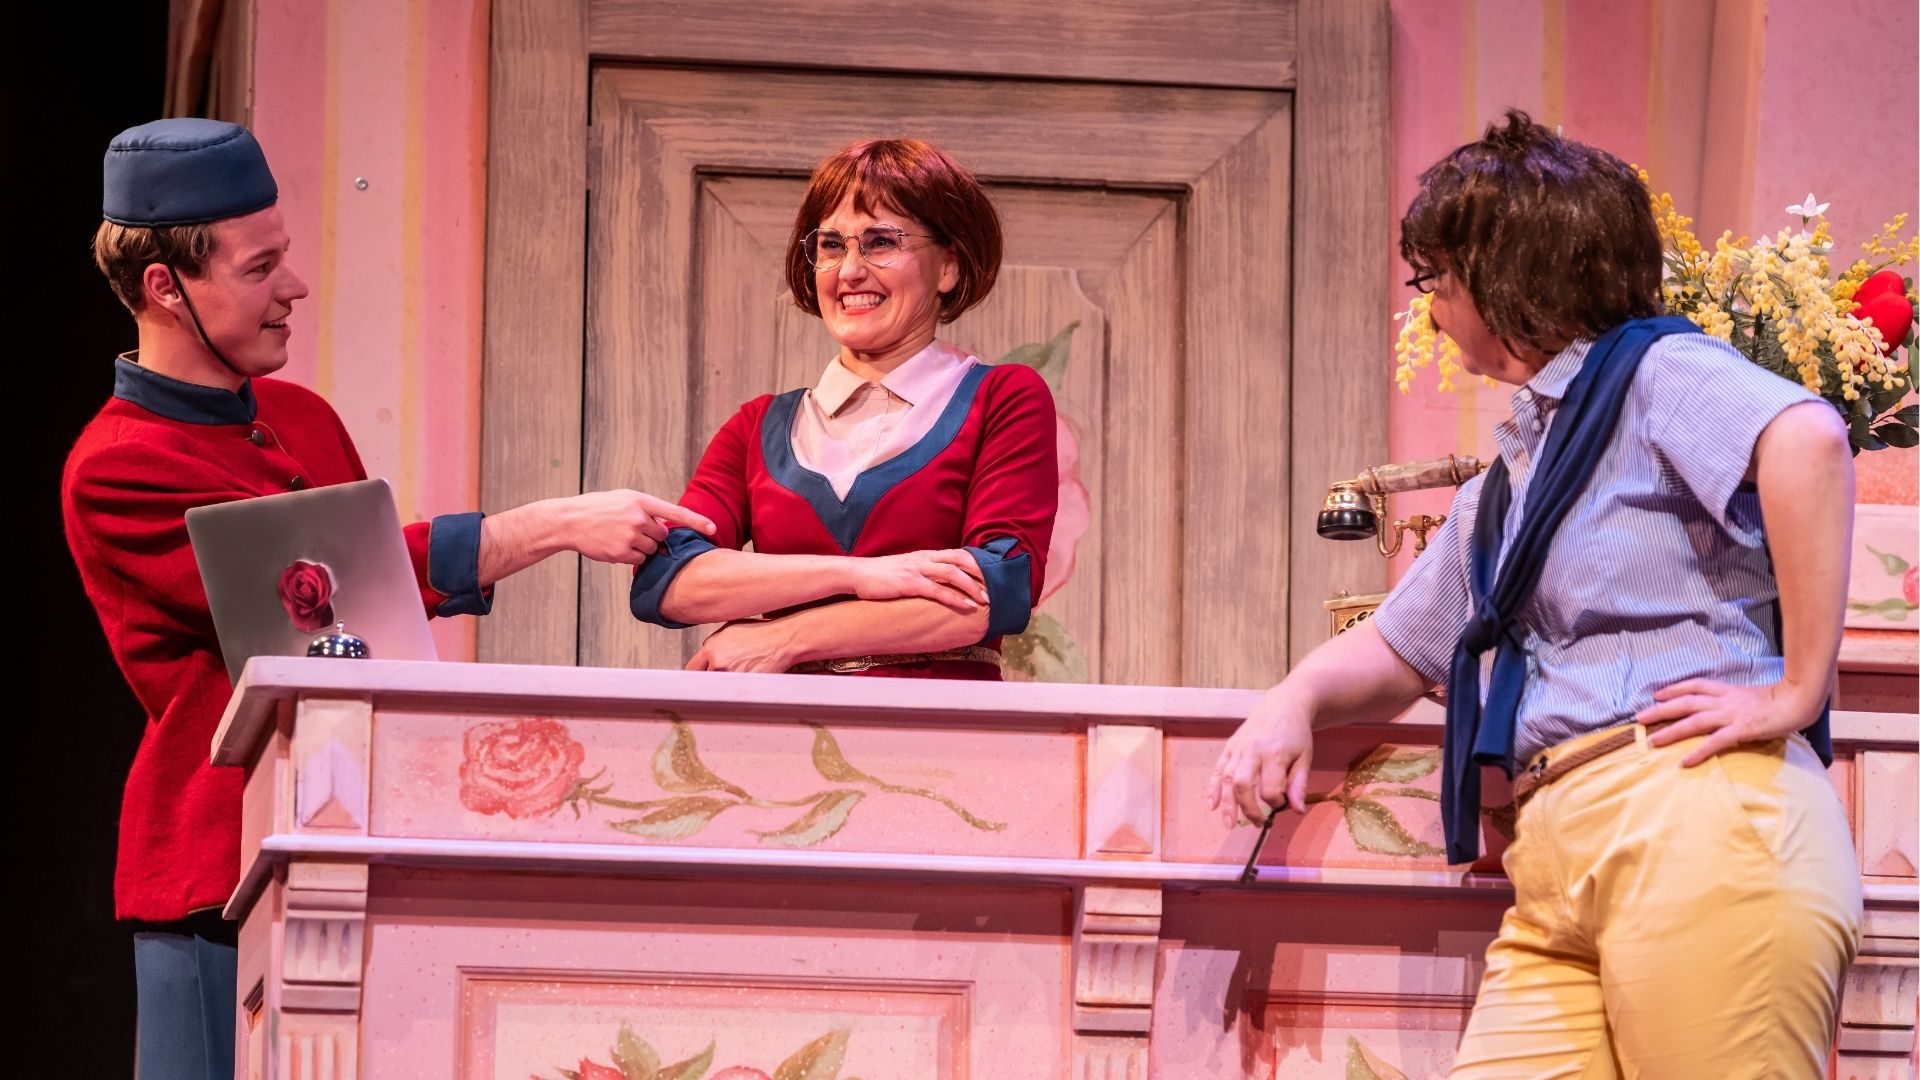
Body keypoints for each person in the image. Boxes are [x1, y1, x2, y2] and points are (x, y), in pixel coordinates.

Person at [1206, 111, 1861, 1077]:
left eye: (1438, 279)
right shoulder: (1513, 480)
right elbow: (1402, 643)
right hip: (1558, 859)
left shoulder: (1655, 372)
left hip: (1697, 817)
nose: (1431, 307)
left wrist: (1799, 689)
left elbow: (1809, 439)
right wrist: (1291, 699)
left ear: (1506, 274)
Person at [62, 117, 713, 1080]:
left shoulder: (301, 416)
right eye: (260, 268)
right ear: (166, 286)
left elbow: (375, 629)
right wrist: (551, 525)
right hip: (221, 872)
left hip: (356, 838)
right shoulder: (118, 466)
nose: (294, 287)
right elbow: (327, 592)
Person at [630, 138, 1058, 679]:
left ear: (949, 266)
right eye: (831, 245)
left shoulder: (1002, 397)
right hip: (781, 727)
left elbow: (996, 589)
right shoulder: (756, 427)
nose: (849, 270)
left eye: (881, 242)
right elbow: (667, 581)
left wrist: (786, 636)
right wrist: (856, 576)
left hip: (940, 725)